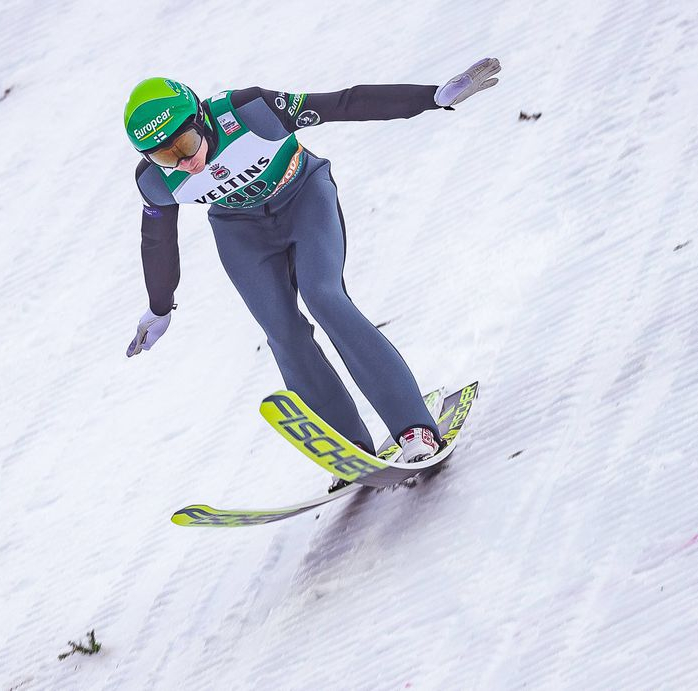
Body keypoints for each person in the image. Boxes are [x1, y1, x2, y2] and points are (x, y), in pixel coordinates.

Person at [122, 59, 501, 486]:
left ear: (201, 118)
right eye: (164, 155)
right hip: (241, 232)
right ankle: (350, 449)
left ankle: (413, 427)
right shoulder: (156, 181)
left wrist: (430, 98)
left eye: (187, 144)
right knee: (282, 332)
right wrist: (159, 308)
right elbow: (156, 242)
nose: (184, 162)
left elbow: (345, 103)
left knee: (324, 296)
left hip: (304, 198)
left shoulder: (252, 111)